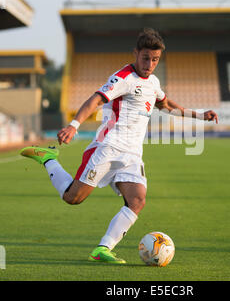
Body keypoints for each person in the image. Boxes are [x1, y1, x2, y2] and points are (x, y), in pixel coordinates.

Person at [20, 28, 218, 264]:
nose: (150, 64)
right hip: (108, 148)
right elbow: (95, 99)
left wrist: (199, 114)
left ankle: (102, 249)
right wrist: (73, 125)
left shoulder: (153, 82)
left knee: (137, 201)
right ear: (136, 53)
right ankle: (48, 157)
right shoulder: (123, 78)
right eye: (146, 58)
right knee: (73, 198)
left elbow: (166, 105)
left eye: (155, 59)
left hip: (132, 155)